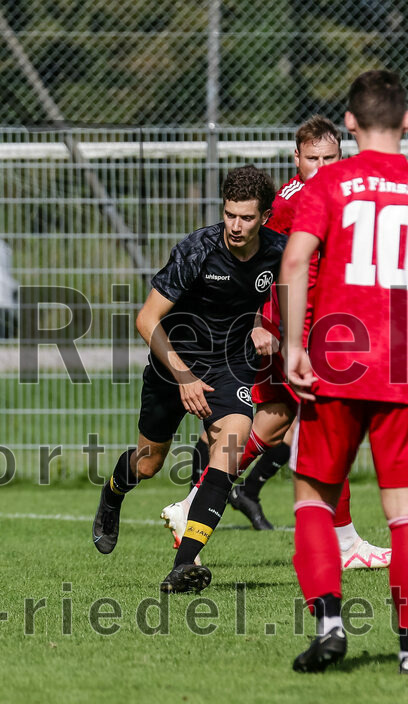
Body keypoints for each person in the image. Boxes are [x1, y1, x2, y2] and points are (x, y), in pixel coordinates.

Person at [160, 117, 391, 570]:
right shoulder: (288, 203)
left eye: (330, 158)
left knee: (276, 420)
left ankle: (193, 502)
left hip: (322, 327)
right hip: (295, 332)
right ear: (296, 158)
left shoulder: (339, 192)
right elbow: (266, 267)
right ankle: (344, 542)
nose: (322, 166)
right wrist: (262, 323)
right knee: (328, 421)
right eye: (313, 158)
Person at [91, 165, 286, 593]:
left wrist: (264, 324)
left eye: (246, 217)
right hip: (172, 366)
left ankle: (183, 567)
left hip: (229, 365)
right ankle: (112, 493)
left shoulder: (278, 251)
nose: (236, 226)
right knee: (148, 464)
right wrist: (183, 377)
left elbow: (283, 298)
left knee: (230, 448)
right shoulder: (197, 251)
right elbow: (146, 319)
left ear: (265, 217)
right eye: (230, 214)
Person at [280, 69, 408, 673]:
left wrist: (292, 347)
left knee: (313, 494)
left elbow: (295, 261)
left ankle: (330, 625)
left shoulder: (329, 182)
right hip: (401, 361)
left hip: (337, 358)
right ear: (405, 121)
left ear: (350, 122)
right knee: (402, 511)